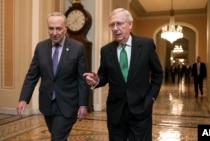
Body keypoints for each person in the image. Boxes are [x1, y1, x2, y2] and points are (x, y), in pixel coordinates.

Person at [83, 8, 163, 141]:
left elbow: (158, 74)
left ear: (130, 24)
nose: (115, 28)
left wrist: (151, 98)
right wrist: (96, 80)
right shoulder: (106, 50)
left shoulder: (146, 45)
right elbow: (104, 76)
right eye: (112, 25)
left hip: (141, 110)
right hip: (116, 113)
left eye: (119, 24)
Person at [16, 12, 89, 141]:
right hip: (47, 104)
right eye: (51, 28)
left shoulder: (77, 48)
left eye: (58, 28)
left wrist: (83, 104)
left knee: (57, 138)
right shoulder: (41, 47)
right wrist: (23, 98)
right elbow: (32, 75)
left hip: (68, 104)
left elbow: (82, 79)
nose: (54, 33)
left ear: (65, 27)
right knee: (57, 134)